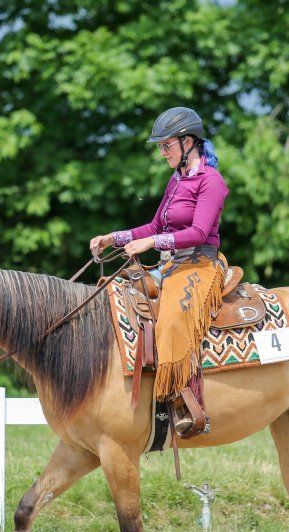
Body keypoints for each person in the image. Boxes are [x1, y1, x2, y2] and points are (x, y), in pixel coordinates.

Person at [89, 106, 229, 438]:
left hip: (199, 264)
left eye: (166, 145)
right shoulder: (177, 179)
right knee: (115, 296)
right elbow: (155, 226)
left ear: (188, 142)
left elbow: (198, 232)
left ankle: (188, 404)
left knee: (174, 319)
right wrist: (114, 238)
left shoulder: (211, 181)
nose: (162, 152)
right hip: (169, 265)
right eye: (161, 146)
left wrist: (151, 243)